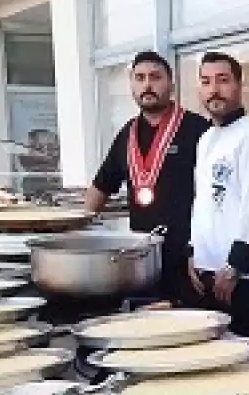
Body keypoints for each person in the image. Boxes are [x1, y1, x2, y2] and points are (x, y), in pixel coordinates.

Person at [86, 51, 209, 302]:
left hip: (188, 260)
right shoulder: (126, 135)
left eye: (155, 77)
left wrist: (201, 251)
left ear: (171, 84)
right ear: (131, 85)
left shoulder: (198, 129)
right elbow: (100, 187)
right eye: (139, 78)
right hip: (142, 263)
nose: (147, 85)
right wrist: (76, 232)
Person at [185, 52, 249, 338]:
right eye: (206, 81)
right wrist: (193, 252)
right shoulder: (205, 139)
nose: (214, 89)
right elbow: (202, 201)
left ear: (239, 85)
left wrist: (236, 266)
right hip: (206, 272)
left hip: (241, 278)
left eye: (223, 80)